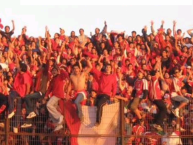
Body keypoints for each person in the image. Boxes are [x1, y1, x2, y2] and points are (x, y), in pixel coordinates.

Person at [45, 66, 69, 131]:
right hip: (55, 95)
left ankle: (59, 117)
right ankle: (59, 124)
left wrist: (60, 69)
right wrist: (46, 96)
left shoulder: (60, 76)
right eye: (52, 71)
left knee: (48, 105)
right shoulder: (52, 79)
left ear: (57, 71)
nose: (53, 72)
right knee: (51, 111)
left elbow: (66, 75)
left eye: (55, 70)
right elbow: (49, 88)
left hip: (58, 95)